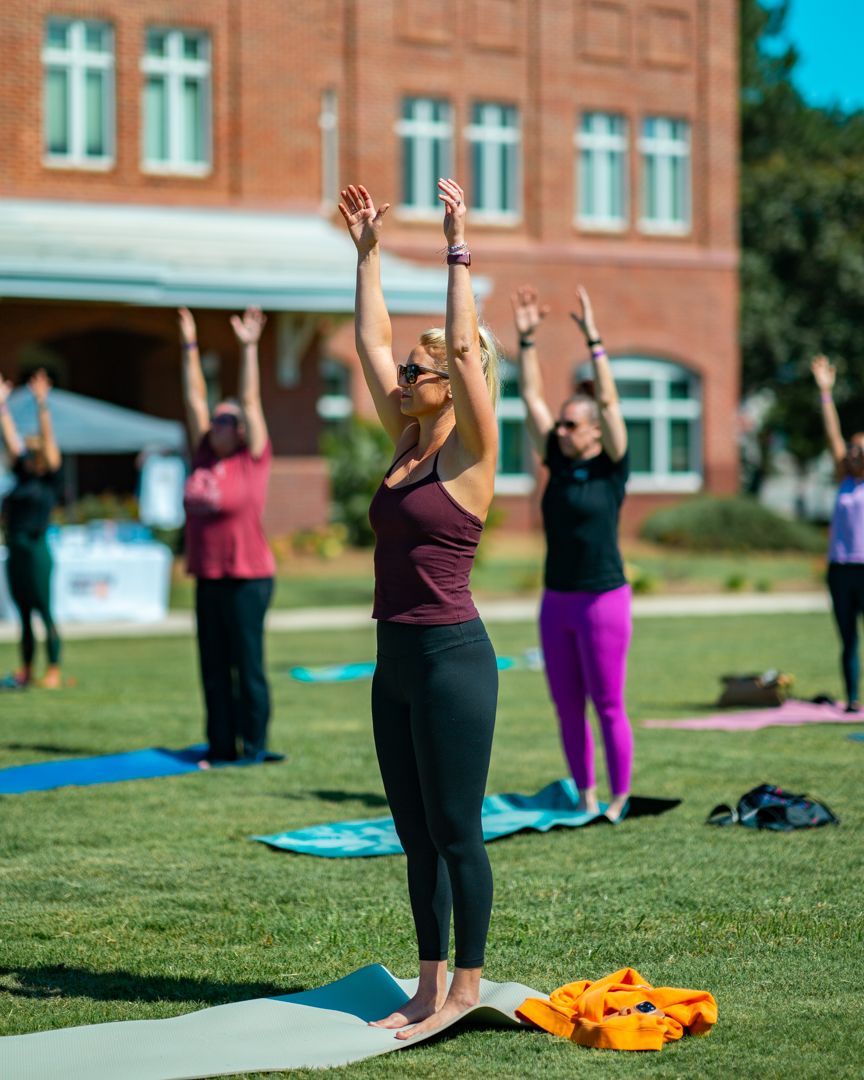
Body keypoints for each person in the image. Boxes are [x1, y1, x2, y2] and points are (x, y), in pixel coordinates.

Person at [339, 179, 500, 1040]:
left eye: (418, 370)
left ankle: (467, 988)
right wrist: (366, 257)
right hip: (393, 662)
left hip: (452, 661)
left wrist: (456, 246)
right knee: (413, 837)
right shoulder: (405, 444)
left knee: (455, 830)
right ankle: (426, 980)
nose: (402, 375)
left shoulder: (472, 455)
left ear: (452, 382)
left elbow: (467, 351)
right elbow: (368, 340)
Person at [511, 284, 632, 822]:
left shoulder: (612, 466)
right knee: (566, 706)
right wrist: (527, 340)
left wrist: (594, 339)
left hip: (603, 599)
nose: (560, 430)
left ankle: (618, 796)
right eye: (559, 424)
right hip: (555, 599)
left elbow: (608, 401)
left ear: (594, 431)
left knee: (606, 705)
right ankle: (584, 794)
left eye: (570, 424)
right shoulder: (557, 463)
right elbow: (530, 399)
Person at [178, 305, 280, 764]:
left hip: (248, 578)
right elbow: (195, 398)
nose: (220, 425)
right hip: (209, 576)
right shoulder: (203, 455)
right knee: (213, 669)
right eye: (217, 421)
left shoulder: (251, 458)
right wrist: (189, 346)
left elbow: (251, 402)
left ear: (239, 432)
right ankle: (221, 747)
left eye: (228, 422)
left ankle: (254, 747)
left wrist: (249, 348)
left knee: (248, 666)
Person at [0, 369, 63, 688]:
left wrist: (42, 404)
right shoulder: (22, 477)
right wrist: (1, 407)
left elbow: (49, 442)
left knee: (44, 611)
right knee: (23, 613)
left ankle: (53, 670)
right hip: (16, 547)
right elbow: (10, 440)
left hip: (37, 547)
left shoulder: (48, 479)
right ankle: (25, 669)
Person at [811, 354, 864, 712]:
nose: (854, 453)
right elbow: (832, 435)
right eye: (852, 449)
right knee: (848, 639)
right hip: (840, 569)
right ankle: (853, 700)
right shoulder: (844, 480)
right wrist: (825, 393)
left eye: (860, 450)